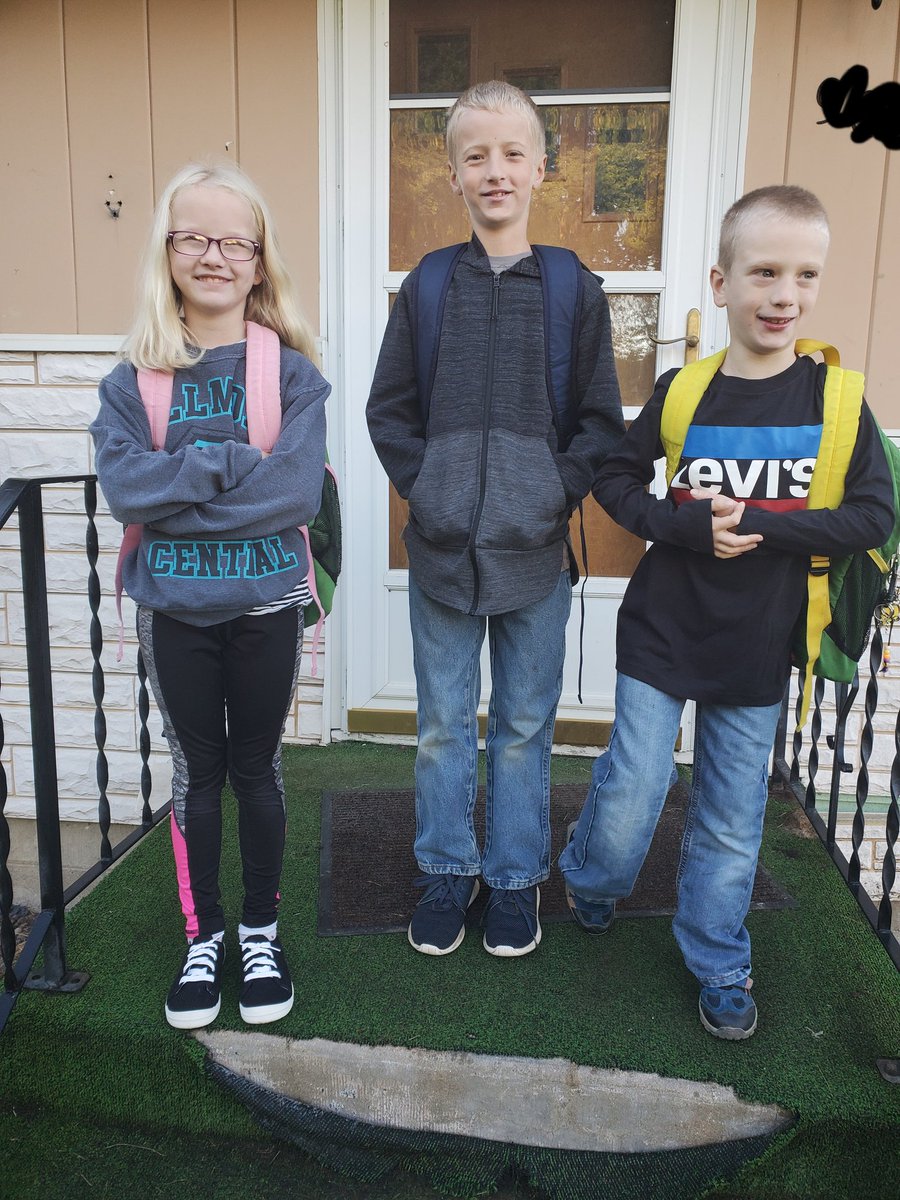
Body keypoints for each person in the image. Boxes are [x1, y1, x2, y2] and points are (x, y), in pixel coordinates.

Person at [559, 185, 895, 1038]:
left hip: (759, 642)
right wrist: (684, 525)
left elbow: (872, 516)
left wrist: (768, 527)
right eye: (764, 272)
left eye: (804, 275)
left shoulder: (838, 401)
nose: (784, 295)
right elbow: (614, 481)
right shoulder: (682, 391)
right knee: (634, 789)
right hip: (664, 627)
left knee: (730, 812)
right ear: (721, 281)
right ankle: (592, 878)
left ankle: (717, 955)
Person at [366, 81, 624, 958]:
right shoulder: (429, 287)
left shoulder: (572, 291)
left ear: (542, 168)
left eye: (513, 153)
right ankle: (448, 867)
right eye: (476, 155)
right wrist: (431, 487)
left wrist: (550, 490)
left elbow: (599, 422)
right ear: (452, 173)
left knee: (522, 725)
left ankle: (515, 879)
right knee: (443, 726)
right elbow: (389, 412)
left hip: (535, 560)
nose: (495, 170)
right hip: (440, 555)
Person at [91, 162, 329, 1029]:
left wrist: (179, 493)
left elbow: (295, 496)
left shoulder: (290, 375)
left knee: (258, 773)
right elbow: (127, 491)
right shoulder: (135, 380)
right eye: (194, 237)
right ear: (168, 249)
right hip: (173, 615)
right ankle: (206, 938)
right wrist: (225, 462)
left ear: (260, 261)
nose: (215, 255)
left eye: (235, 241)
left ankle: (259, 931)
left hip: (266, 609)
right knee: (197, 778)